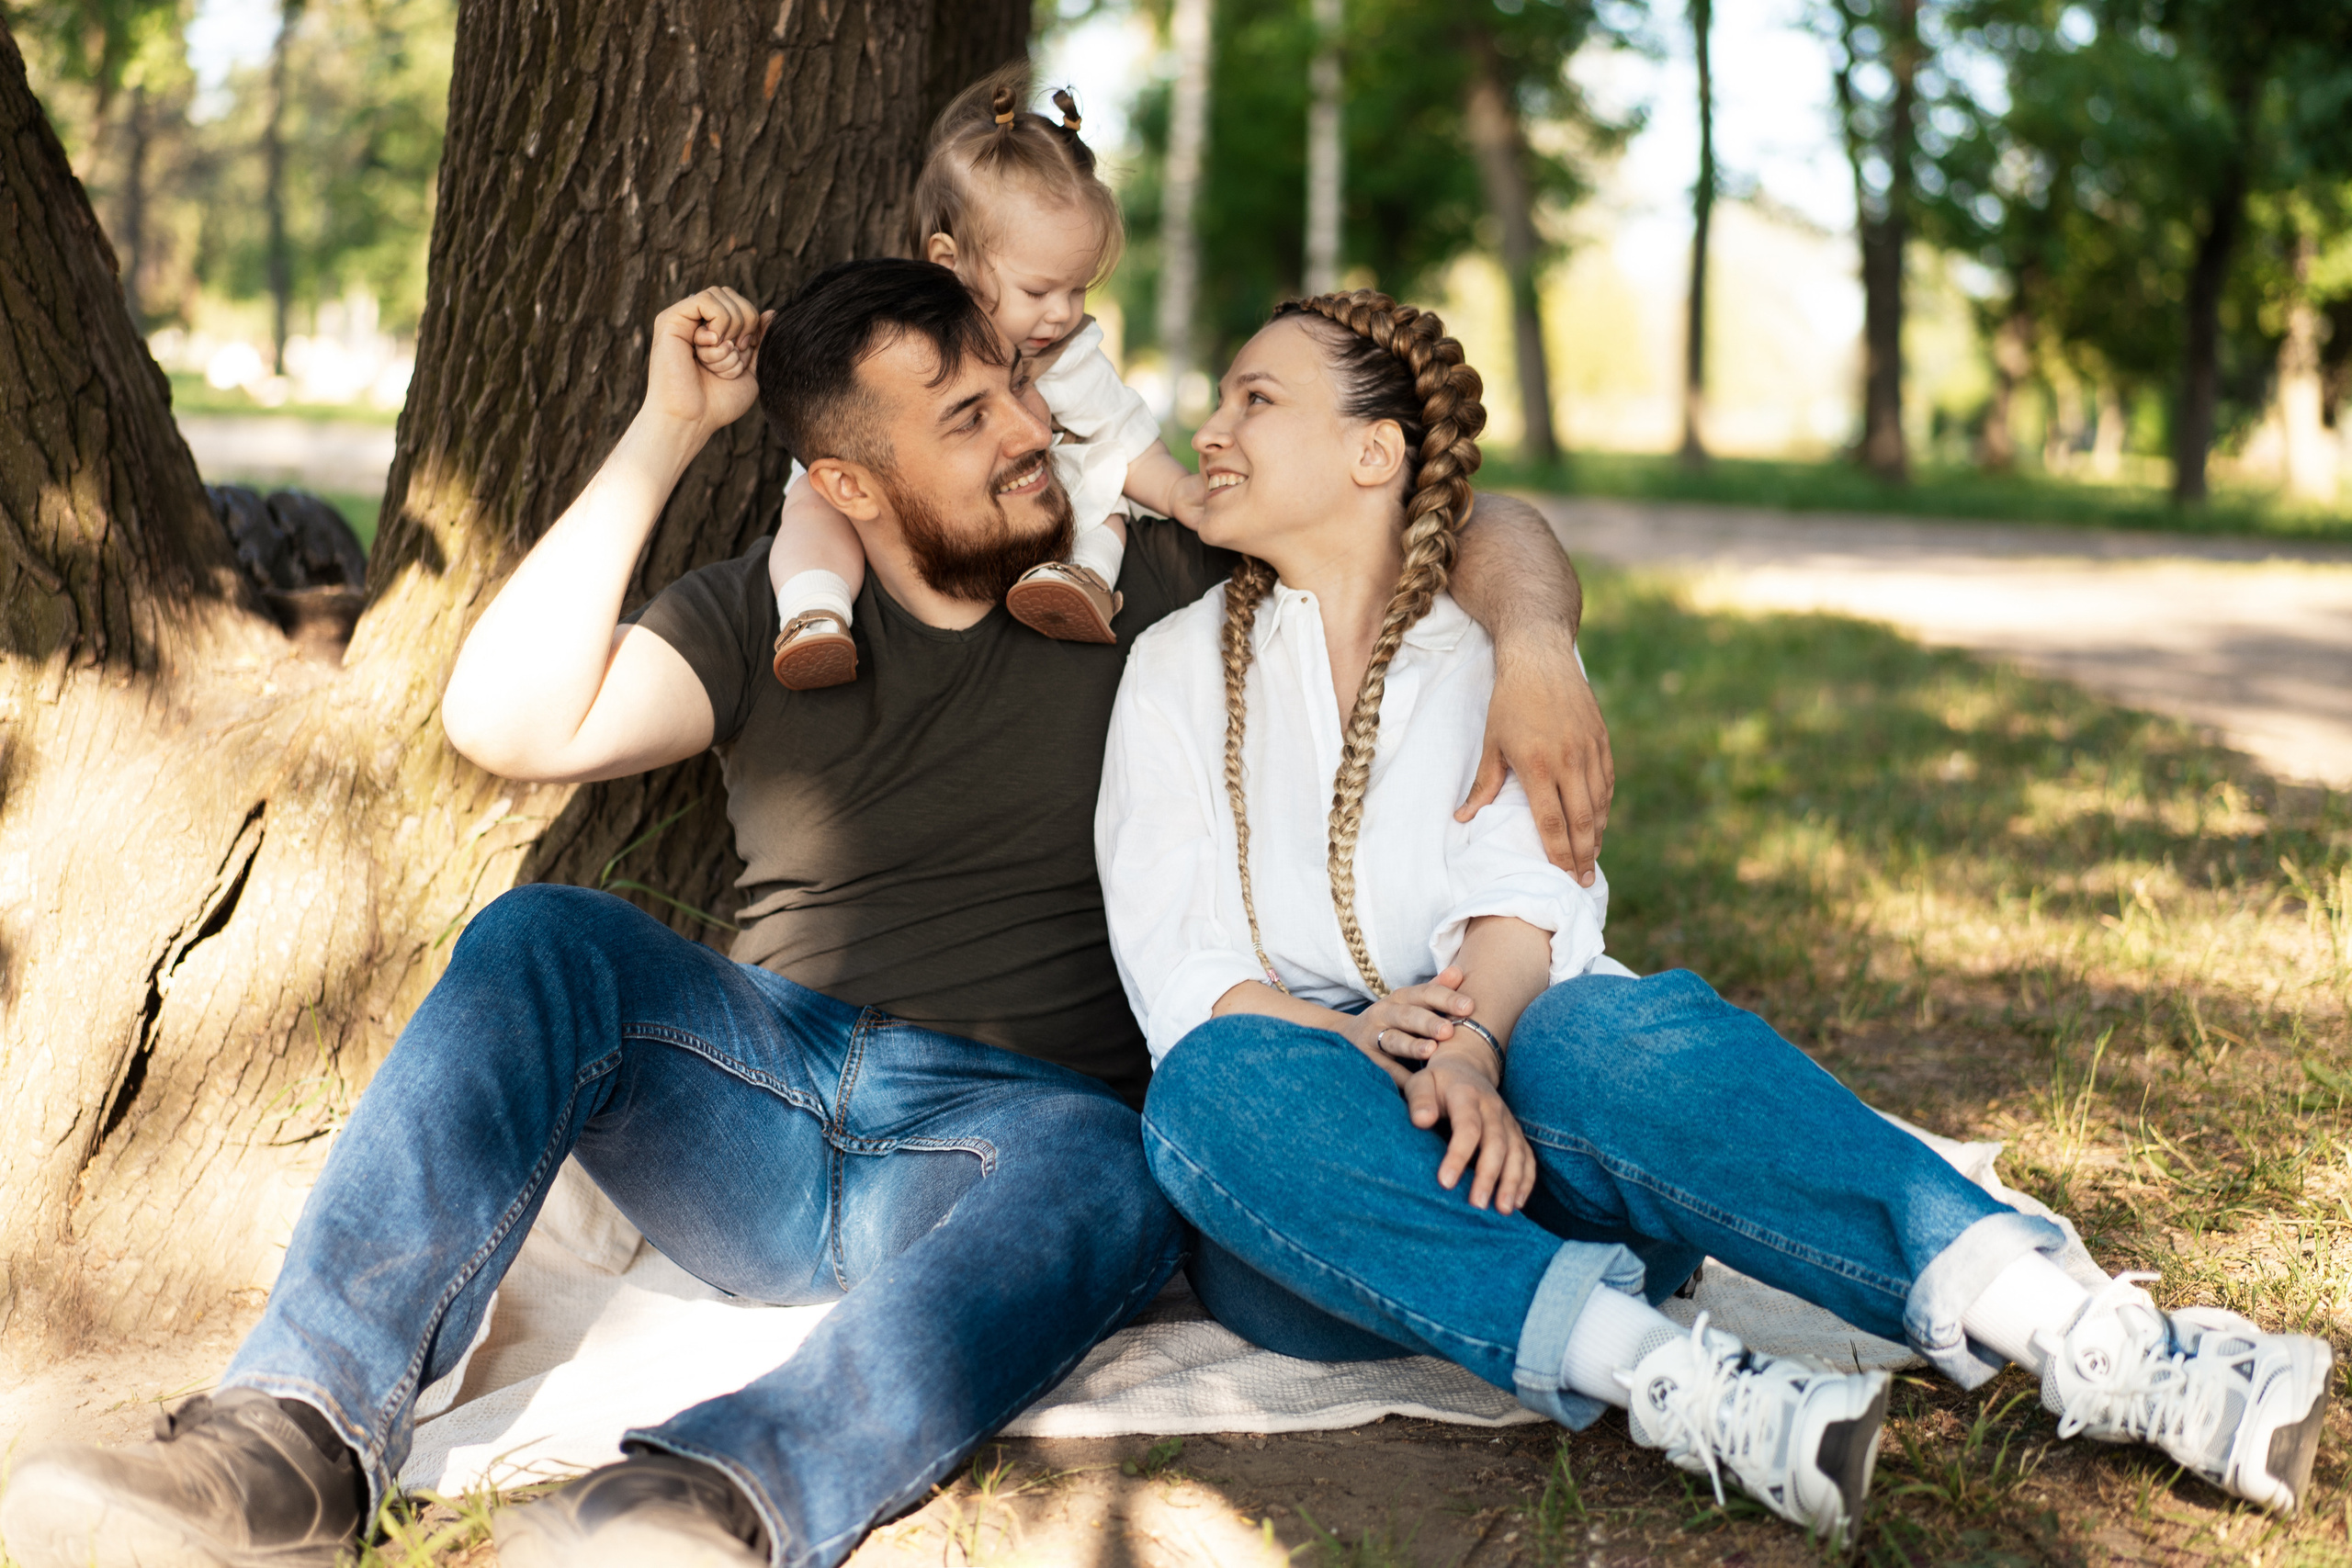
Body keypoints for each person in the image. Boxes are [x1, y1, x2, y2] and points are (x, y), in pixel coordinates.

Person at [0, 260, 1614, 1568]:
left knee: (1131, 1166)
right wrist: (666, 428)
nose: (1027, 431)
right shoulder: (766, 616)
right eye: (968, 415)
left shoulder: (1160, 591)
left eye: (1014, 392)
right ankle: (292, 1437)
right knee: (542, 936)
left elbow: (1449, 515)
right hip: (756, 1104)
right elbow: (503, 722)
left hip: (1023, 1132)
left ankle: (704, 1505)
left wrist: (1535, 641)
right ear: (849, 476)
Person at [1096, 289, 2334, 1549]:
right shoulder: (1177, 665)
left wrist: (1469, 1045)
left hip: (1530, 1107)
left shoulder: (1482, 651)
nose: (1212, 428)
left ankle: (2098, 1340)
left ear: (1374, 452)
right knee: (1206, 1093)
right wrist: (1352, 1039)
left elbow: (1533, 883)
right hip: (1329, 1171)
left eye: (1256, 397)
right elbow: (1175, 948)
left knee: (1597, 1032)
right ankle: (1682, 1384)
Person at [765, 68, 1202, 689]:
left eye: (1078, 289)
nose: (1064, 312)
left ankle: (1086, 580)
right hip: (877, 491)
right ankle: (814, 613)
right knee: (810, 502)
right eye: (1038, 289)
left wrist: (1182, 493)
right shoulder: (898, 336)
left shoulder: (1071, 353)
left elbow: (1127, 435)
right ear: (949, 262)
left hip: (1032, 505)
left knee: (1106, 491)